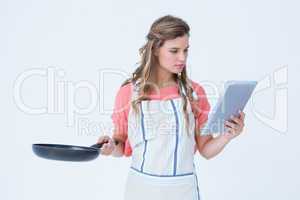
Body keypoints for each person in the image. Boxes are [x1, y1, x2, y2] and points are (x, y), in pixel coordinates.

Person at [97, 15, 245, 200]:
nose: (182, 58)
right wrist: (111, 146)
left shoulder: (194, 92)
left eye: (186, 50)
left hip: (182, 190)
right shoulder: (129, 92)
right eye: (174, 50)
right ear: (156, 49)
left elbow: (206, 149)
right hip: (141, 190)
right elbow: (120, 142)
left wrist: (227, 136)